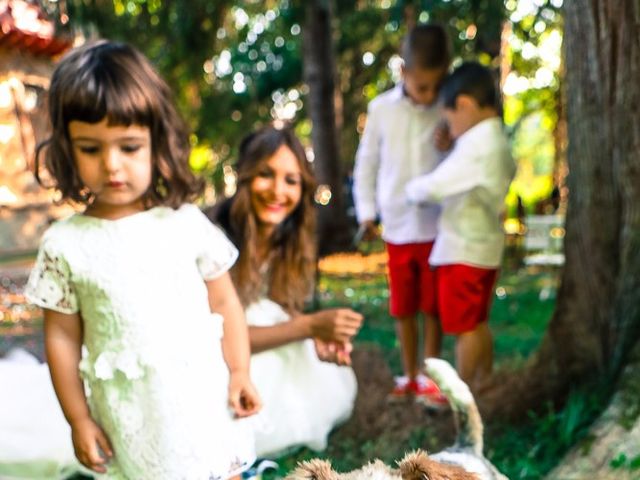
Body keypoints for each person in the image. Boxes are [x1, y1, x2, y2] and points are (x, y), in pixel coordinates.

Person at [16, 40, 261, 479]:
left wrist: (240, 370)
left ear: (157, 142)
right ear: (68, 149)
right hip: (130, 411)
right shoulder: (65, 243)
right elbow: (63, 340)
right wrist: (79, 418)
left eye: (129, 147)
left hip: (199, 393)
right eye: (91, 149)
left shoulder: (185, 224)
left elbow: (224, 304)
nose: (112, 165)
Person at [205, 125, 363, 458]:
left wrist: (317, 335)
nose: (278, 191)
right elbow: (217, 335)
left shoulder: (289, 236)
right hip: (216, 348)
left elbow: (282, 306)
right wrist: (308, 326)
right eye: (266, 174)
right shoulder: (212, 235)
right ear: (245, 177)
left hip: (257, 330)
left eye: (291, 180)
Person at [352, 24, 451, 406]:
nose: (427, 95)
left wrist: (451, 141)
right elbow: (367, 164)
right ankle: (409, 375)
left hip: (436, 225)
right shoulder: (381, 110)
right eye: (420, 86)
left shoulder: (448, 107)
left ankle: (433, 376)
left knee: (433, 307)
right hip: (396, 225)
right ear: (403, 73)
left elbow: (462, 159)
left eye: (434, 86)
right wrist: (366, 213)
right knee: (404, 306)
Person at [406, 62, 516, 386]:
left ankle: (464, 393)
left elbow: (438, 185)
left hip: (463, 250)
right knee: (477, 322)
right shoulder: (496, 140)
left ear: (465, 105)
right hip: (484, 247)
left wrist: (410, 190)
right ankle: (484, 381)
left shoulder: (476, 146)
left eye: (449, 118)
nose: (449, 127)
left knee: (462, 328)